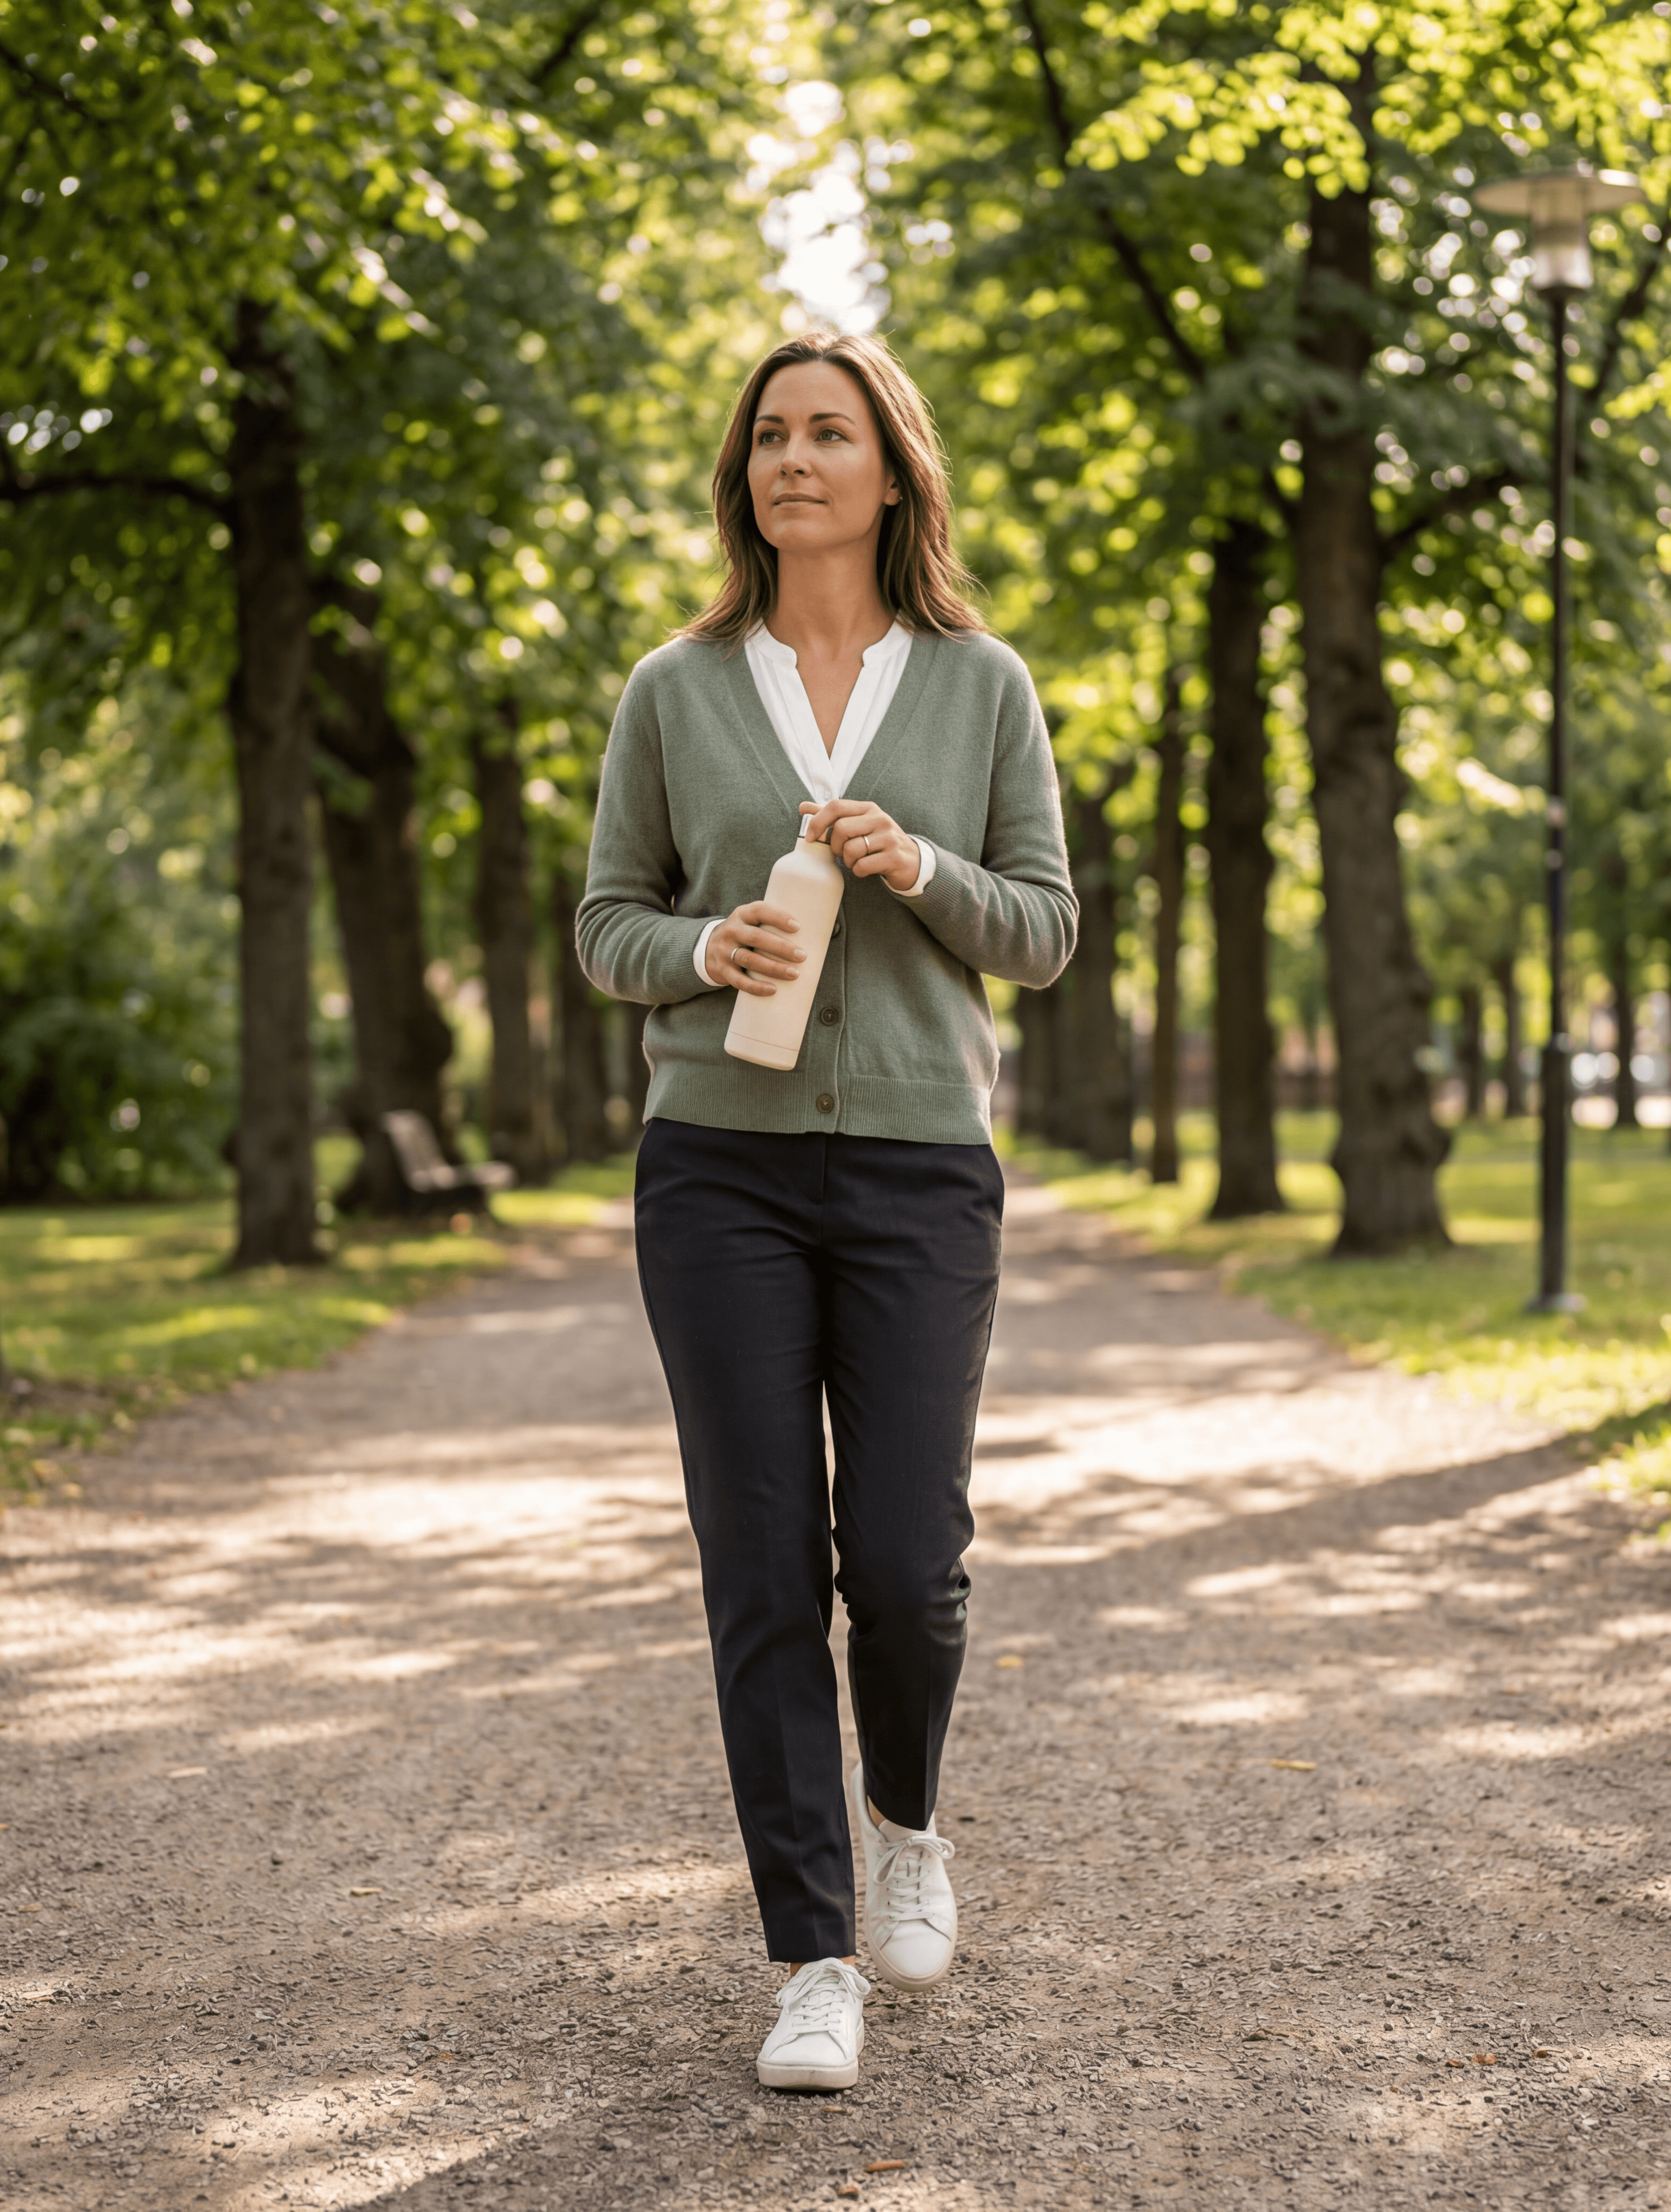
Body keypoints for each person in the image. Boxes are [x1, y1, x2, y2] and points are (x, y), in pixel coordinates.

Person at [577, 329, 1076, 2092]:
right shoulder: (676, 685)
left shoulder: (980, 682)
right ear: (748, 477)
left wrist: (917, 868)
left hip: (922, 1162)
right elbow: (604, 924)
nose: (796, 459)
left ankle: (911, 1820)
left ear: (890, 473)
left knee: (911, 1575)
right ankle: (813, 1955)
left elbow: (1044, 926)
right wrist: (706, 950)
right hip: (716, 1162)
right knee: (765, 1564)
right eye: (771, 436)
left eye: (829, 434)